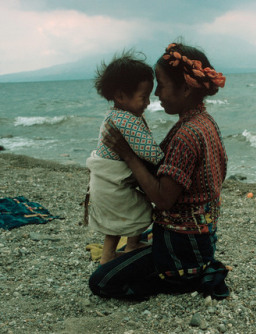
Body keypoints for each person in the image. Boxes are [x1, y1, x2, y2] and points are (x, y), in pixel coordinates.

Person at [88, 42, 230, 300]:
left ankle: (178, 278)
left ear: (185, 88)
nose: (158, 96)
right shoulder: (205, 123)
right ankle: (185, 270)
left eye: (162, 86)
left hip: (181, 246)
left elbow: (163, 199)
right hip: (202, 238)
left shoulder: (187, 133)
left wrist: (128, 155)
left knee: (101, 282)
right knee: (131, 240)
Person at [86, 50, 164, 265]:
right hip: (112, 185)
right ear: (121, 96)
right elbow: (151, 153)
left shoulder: (115, 114)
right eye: (143, 96)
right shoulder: (125, 120)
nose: (148, 102)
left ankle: (116, 252)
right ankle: (120, 251)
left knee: (116, 221)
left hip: (105, 184)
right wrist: (169, 159)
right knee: (140, 211)